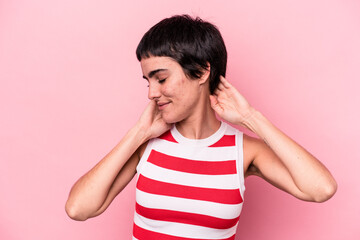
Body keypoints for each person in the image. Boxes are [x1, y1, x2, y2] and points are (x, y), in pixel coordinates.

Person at [65, 14, 337, 239]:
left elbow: (320, 189)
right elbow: (78, 209)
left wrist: (251, 117)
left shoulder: (244, 152)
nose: (151, 93)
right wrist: (138, 133)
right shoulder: (145, 145)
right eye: (147, 81)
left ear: (202, 72)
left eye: (160, 78)